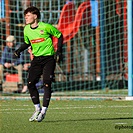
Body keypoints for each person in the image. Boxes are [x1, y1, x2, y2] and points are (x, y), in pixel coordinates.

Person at [14, 6, 63, 122]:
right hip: (36, 60)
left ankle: (43, 111)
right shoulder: (26, 29)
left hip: (48, 59)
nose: (26, 17)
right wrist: (18, 50)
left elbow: (59, 35)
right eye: (25, 16)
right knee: (30, 83)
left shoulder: (45, 27)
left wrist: (59, 51)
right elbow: (27, 43)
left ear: (35, 16)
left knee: (46, 83)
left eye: (28, 15)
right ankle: (37, 109)